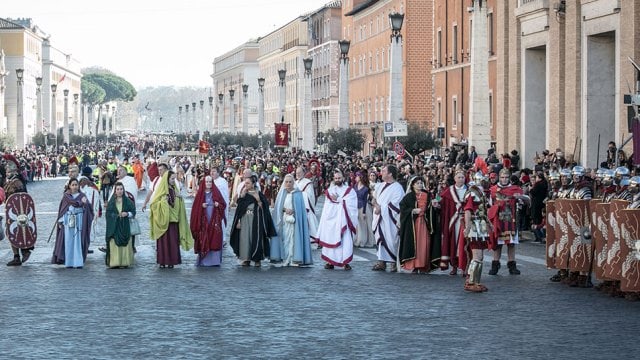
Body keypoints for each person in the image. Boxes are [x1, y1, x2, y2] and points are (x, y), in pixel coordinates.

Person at [149, 171, 193, 268]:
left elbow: (177, 204)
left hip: (173, 221)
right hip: (163, 222)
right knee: (163, 243)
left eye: (174, 178)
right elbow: (154, 205)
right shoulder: (161, 191)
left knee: (173, 242)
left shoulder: (175, 190)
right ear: (167, 179)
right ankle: (163, 261)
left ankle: (172, 261)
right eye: (172, 179)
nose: (173, 181)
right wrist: (163, 202)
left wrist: (179, 198)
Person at [229, 175, 276, 267]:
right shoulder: (244, 194)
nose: (246, 185)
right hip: (244, 219)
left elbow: (264, 208)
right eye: (245, 183)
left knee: (255, 238)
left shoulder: (259, 194)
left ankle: (257, 259)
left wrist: (258, 200)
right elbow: (239, 209)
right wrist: (238, 221)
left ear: (253, 184)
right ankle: (246, 258)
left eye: (248, 183)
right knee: (245, 239)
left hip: (256, 220)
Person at [317, 169, 358, 270]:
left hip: (344, 220)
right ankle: (330, 262)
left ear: (343, 178)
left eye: (339, 178)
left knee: (345, 241)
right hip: (332, 221)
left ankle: (345, 262)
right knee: (330, 239)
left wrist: (339, 200)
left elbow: (352, 205)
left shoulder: (349, 190)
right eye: (335, 178)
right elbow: (327, 207)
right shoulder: (330, 191)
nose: (337, 179)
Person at [270, 174, 313, 266]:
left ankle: (294, 258)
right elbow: (278, 208)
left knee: (294, 239)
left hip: (295, 221)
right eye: (286, 182)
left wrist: (294, 211)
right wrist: (285, 210)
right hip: (284, 221)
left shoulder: (298, 194)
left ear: (293, 183)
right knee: (285, 239)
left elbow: (301, 209)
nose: (288, 184)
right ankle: (285, 257)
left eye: (290, 182)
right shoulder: (281, 194)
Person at [488, 168, 525, 275]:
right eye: (502, 177)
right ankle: (495, 265)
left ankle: (512, 265)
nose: (504, 180)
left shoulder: (515, 189)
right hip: (498, 220)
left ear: (509, 178)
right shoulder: (493, 189)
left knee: (511, 243)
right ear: (499, 177)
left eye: (506, 177)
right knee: (498, 244)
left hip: (511, 219)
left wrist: (520, 197)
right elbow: (489, 205)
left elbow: (525, 201)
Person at [51, 178, 95, 268]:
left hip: (79, 220)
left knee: (78, 242)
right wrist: (60, 221)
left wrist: (85, 204)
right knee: (69, 241)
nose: (75, 187)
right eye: (73, 185)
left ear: (78, 186)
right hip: (69, 221)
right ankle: (69, 262)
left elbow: (89, 208)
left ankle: (78, 262)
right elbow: (62, 209)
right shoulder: (66, 196)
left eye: (76, 185)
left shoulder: (82, 195)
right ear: (69, 186)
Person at [399, 176, 436, 273]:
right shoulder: (408, 197)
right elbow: (402, 208)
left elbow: (434, 204)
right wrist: (412, 211)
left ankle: (423, 265)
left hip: (425, 223)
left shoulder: (428, 195)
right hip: (413, 224)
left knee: (424, 244)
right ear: (412, 185)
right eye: (417, 183)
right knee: (415, 244)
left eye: (421, 183)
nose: (420, 185)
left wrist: (435, 205)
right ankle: (415, 265)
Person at [371, 165, 404, 272]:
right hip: (379, 217)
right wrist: (376, 205)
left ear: (390, 174)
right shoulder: (380, 185)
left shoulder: (397, 188)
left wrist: (382, 208)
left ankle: (394, 261)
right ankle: (382, 261)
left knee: (392, 239)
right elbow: (374, 198)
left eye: (384, 171)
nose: (381, 172)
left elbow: (397, 205)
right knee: (380, 239)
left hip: (390, 220)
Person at [2, 154, 32, 266]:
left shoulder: (17, 182)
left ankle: (24, 251)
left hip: (18, 213)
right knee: (11, 233)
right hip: (11, 213)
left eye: (8, 166)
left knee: (18, 232)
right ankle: (16, 256)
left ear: (13, 168)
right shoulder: (10, 181)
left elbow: (20, 199)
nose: (6, 168)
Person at [190, 176, 226, 266]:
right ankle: (204, 260)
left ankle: (214, 260)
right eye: (207, 182)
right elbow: (195, 208)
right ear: (204, 183)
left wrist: (218, 205)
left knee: (214, 237)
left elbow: (223, 204)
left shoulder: (216, 192)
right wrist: (201, 206)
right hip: (204, 220)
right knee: (204, 237)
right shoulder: (200, 194)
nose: (209, 184)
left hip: (214, 219)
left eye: (210, 182)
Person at [438, 170, 468, 274]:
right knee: (453, 242)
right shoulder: (448, 191)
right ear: (455, 179)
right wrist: (436, 203)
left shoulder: (469, 190)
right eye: (459, 177)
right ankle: (454, 266)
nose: (461, 179)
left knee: (465, 243)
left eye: (462, 177)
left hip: (466, 221)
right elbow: (440, 200)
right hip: (453, 221)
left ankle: (465, 267)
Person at [105, 182, 136, 268]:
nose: (119, 191)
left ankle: (124, 262)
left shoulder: (128, 201)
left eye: (121, 189)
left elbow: (133, 212)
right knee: (114, 243)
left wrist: (127, 214)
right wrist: (115, 216)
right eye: (118, 189)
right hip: (115, 228)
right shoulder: (111, 202)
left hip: (125, 226)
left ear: (123, 190)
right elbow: (108, 214)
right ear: (115, 191)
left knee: (126, 243)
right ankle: (115, 262)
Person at [295, 166, 319, 244]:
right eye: (296, 173)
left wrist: (299, 194)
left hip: (306, 207)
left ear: (303, 173)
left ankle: (312, 239)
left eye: (299, 173)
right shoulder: (295, 182)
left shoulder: (307, 182)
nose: (297, 174)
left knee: (310, 223)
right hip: (296, 206)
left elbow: (310, 195)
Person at [353, 171, 375, 248]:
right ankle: (358, 240)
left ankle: (363, 241)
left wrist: (364, 212)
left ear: (360, 177)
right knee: (358, 225)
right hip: (356, 207)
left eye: (357, 176)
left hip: (363, 207)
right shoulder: (355, 186)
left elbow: (365, 200)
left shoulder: (365, 188)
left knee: (364, 225)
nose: (355, 178)